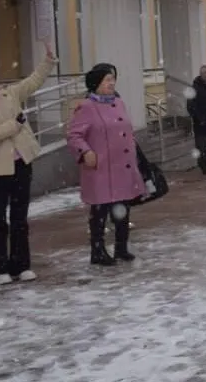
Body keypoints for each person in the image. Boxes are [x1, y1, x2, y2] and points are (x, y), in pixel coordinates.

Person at [0, 41, 56, 285]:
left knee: (20, 217)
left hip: (20, 163)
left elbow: (32, 82)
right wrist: (14, 125)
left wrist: (47, 61)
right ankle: (0, 268)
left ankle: (22, 264)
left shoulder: (9, 94)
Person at [67, 63, 146, 266]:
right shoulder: (86, 107)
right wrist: (85, 151)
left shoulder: (118, 102)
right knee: (100, 211)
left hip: (122, 165)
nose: (112, 83)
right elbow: (74, 135)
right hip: (101, 168)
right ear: (96, 84)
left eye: (113, 79)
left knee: (122, 209)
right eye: (107, 80)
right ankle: (98, 250)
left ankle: (121, 247)